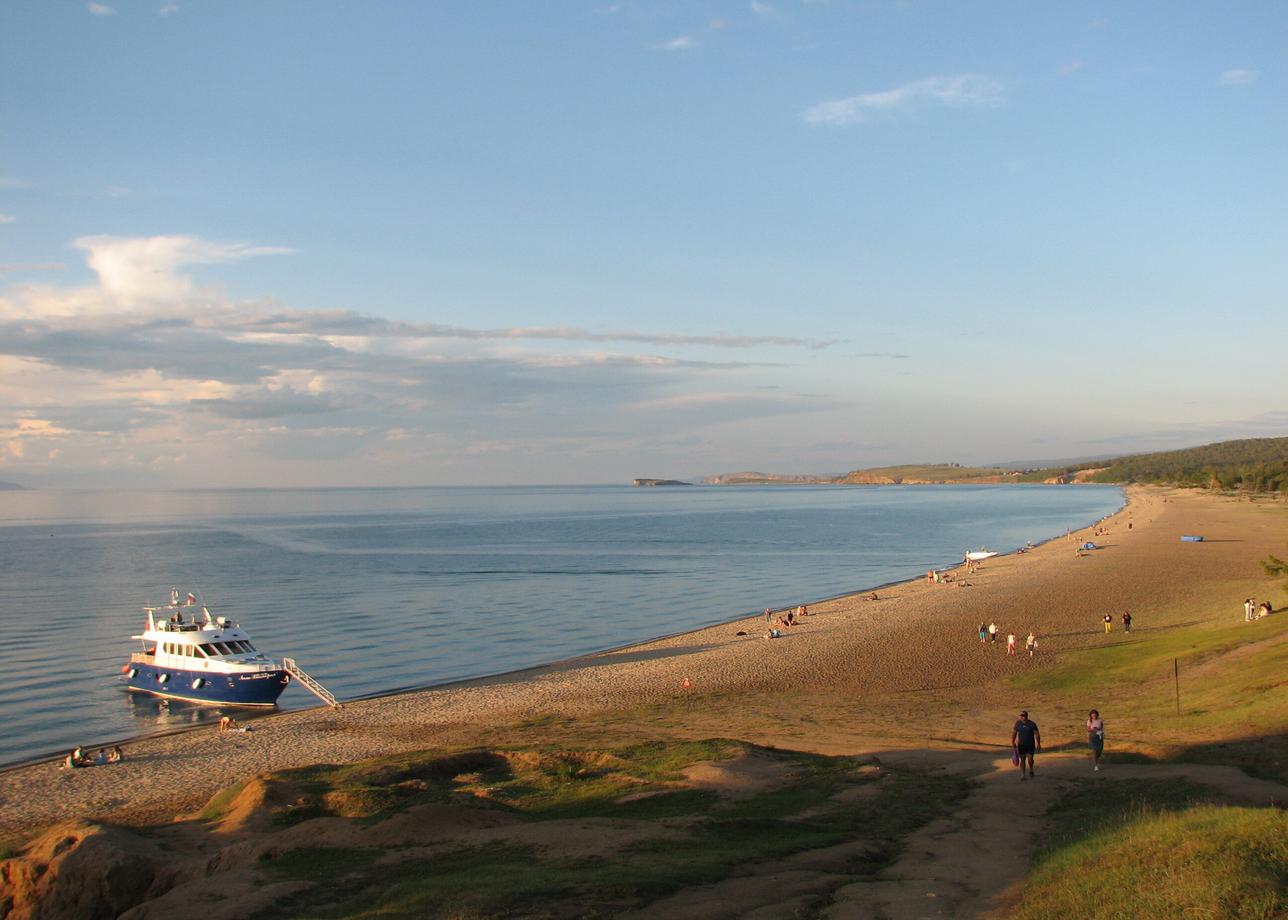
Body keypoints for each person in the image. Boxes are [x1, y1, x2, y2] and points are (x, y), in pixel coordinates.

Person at [1011, 711, 1041, 780]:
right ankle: (1023, 774)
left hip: (1030, 745)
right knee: (1022, 760)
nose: (1021, 717)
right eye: (1020, 715)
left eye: (1023, 715)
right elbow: (1014, 732)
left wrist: (1038, 744)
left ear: (1026, 716)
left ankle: (1031, 769)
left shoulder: (1032, 724)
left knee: (1030, 759)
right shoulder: (1018, 723)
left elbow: (1037, 734)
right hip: (1021, 745)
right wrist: (1012, 741)